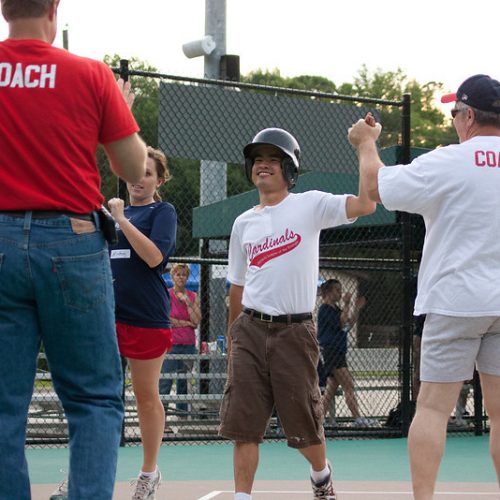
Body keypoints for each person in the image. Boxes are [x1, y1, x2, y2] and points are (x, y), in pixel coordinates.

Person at [0, 0, 147, 498]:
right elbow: (132, 168)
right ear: (54, 10)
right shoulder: (89, 74)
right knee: (93, 399)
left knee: (3, 406)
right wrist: (122, 110)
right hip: (73, 240)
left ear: (4, 10)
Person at [347, 74, 500, 499]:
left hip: (455, 299)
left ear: (468, 116)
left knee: (433, 407)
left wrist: (366, 143)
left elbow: (377, 187)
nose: (454, 120)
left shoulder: (449, 160)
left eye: (455, 113)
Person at [219, 127, 376, 500]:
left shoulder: (310, 204)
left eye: (273, 159)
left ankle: (321, 475)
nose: (263, 166)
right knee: (245, 426)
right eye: (258, 160)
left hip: (295, 332)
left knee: (304, 425)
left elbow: (366, 205)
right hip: (250, 331)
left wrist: (364, 146)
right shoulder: (243, 223)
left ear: (289, 168)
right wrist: (233, 338)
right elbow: (237, 287)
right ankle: (243, 496)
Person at [108, 146, 177, 499]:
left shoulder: (162, 211)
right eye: (136, 171)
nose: (140, 178)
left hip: (146, 317)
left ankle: (148, 475)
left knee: (145, 396)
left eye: (148, 173)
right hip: (105, 315)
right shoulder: (106, 213)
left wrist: (121, 221)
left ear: (158, 180)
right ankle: (86, 473)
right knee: (97, 395)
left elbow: (154, 258)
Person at [317, 279, 377, 428]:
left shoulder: (336, 309)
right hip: (332, 351)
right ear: (328, 292)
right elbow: (342, 322)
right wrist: (347, 304)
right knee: (349, 384)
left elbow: (348, 324)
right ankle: (357, 419)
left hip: (339, 351)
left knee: (331, 389)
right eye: (337, 290)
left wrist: (355, 308)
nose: (340, 293)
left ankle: (318, 420)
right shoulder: (325, 309)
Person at [159, 263, 201, 415]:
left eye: (184, 274)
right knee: (165, 381)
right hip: (171, 344)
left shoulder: (193, 296)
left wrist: (188, 302)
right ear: (173, 276)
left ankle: (181, 415)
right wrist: (186, 323)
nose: (181, 277)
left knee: (184, 383)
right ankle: (162, 417)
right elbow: (166, 319)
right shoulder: (167, 294)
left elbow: (196, 321)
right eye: (178, 274)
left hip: (188, 344)